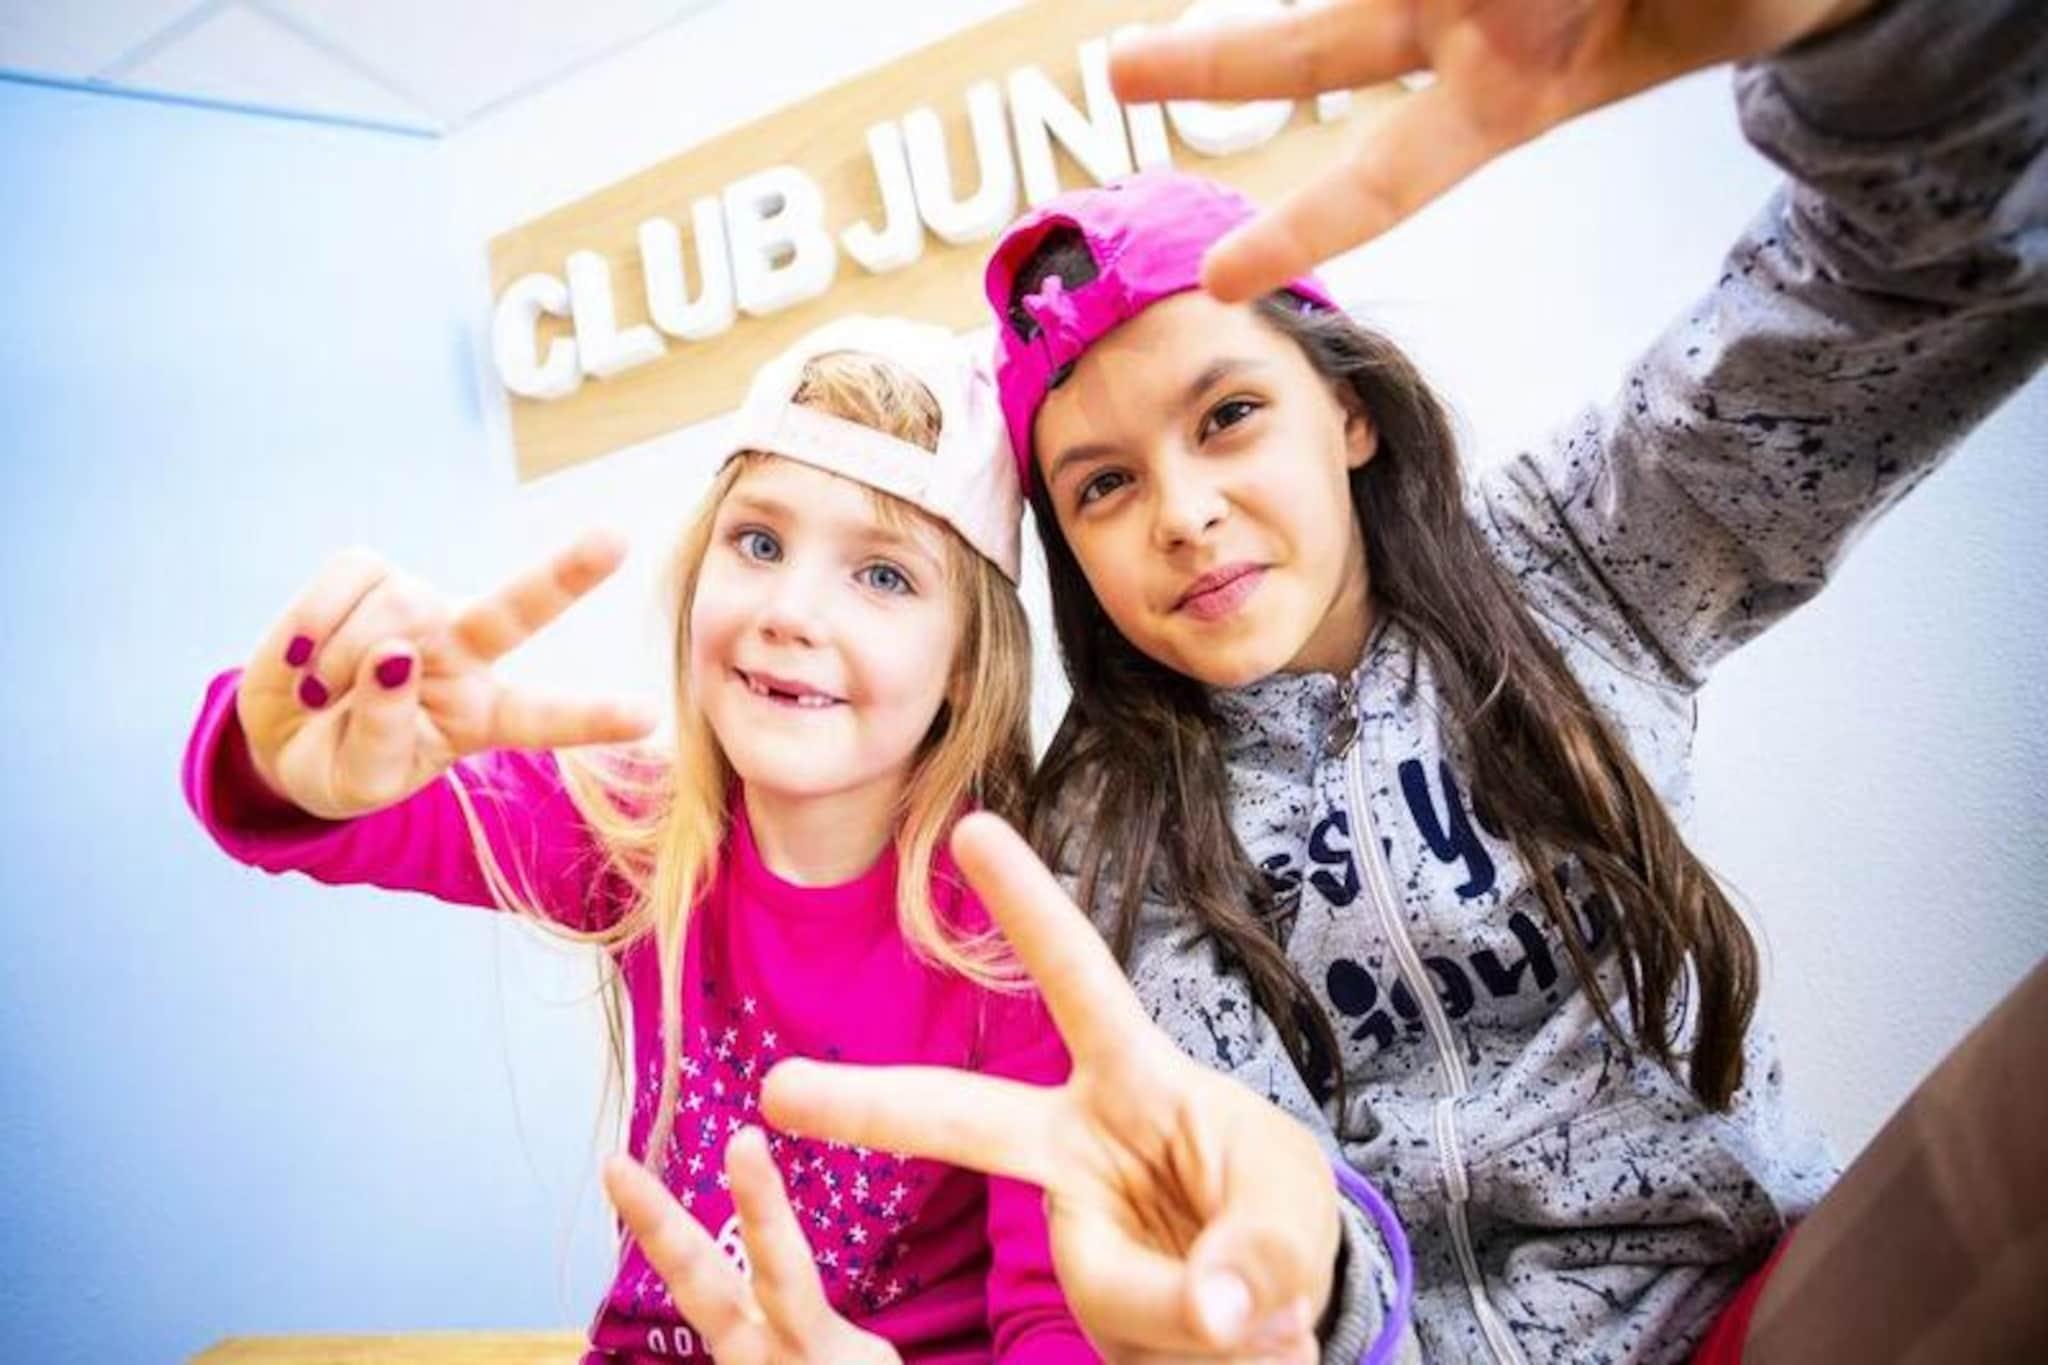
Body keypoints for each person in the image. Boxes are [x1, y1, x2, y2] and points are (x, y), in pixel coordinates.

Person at [750, 2, 2048, 1362]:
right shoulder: (1104, 828)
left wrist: (1872, 37)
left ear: (1349, 412)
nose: (1183, 514)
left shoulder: (1575, 563)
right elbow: (1265, 1201)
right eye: (1104, 485)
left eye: (1228, 416)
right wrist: (1296, 1281)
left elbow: (1898, 286)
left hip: (1768, 1316)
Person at [182, 317, 1099, 1363]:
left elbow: (1059, 1323)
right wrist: (293, 759)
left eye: (883, 575)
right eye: (759, 544)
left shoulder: (1016, 940)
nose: (791, 610)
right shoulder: (641, 831)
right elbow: (339, 816)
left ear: (969, 665)